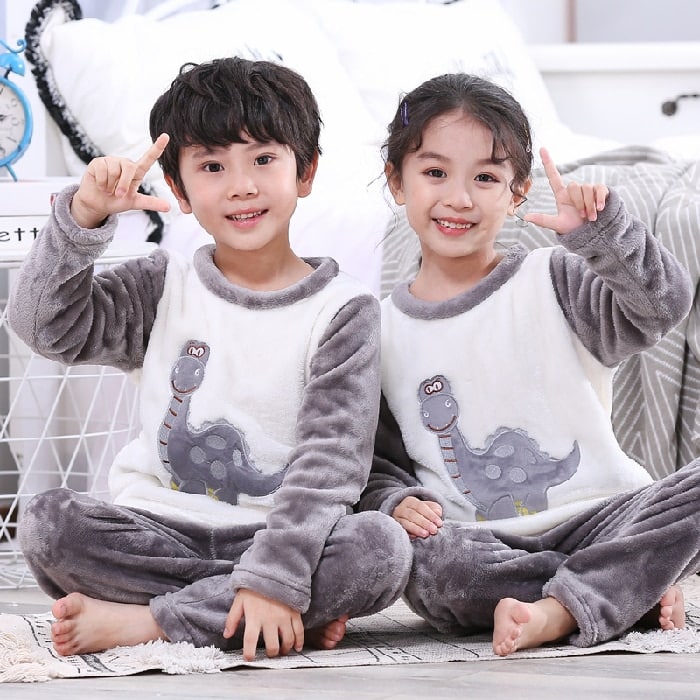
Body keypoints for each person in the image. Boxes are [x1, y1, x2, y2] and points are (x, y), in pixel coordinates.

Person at [9, 57, 412, 661]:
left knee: (380, 548)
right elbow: (45, 327)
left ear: (305, 171)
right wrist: (82, 219)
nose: (241, 186)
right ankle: (263, 613)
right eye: (213, 166)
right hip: (157, 530)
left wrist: (275, 574)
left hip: (281, 536)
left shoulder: (344, 310)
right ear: (179, 190)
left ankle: (155, 621)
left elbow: (331, 463)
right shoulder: (160, 285)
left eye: (263, 160)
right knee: (47, 522)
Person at [358, 72, 700, 656]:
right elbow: (375, 463)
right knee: (429, 568)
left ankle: (565, 607)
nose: (459, 198)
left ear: (518, 193)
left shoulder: (556, 279)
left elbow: (661, 306)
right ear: (397, 181)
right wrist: (393, 503)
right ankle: (623, 588)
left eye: (486, 178)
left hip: (604, 518)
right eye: (435, 173)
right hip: (483, 543)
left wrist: (605, 236)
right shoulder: (379, 329)